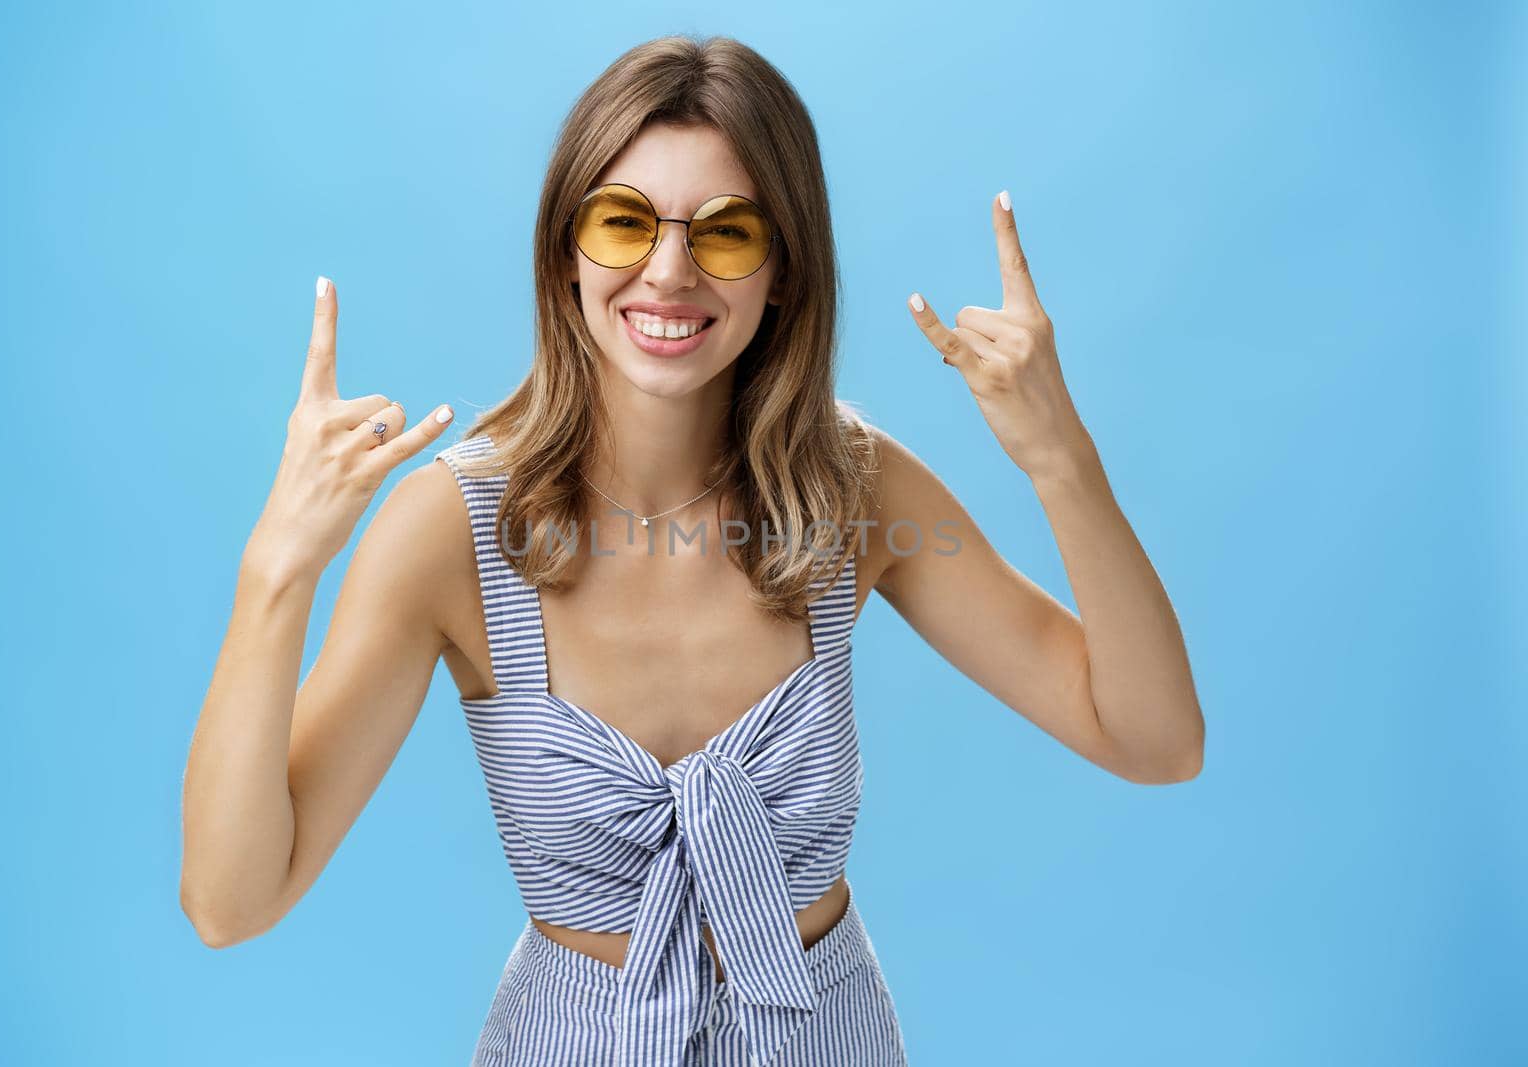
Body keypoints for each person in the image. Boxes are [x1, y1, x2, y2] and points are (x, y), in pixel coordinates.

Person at [179, 33, 1204, 1067]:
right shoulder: (452, 531)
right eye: (624, 222)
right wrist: (278, 568)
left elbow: (1153, 739)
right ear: (563, 251)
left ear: (784, 273)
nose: (666, 272)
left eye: (724, 233)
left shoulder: (853, 491)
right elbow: (231, 901)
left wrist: (1058, 457)